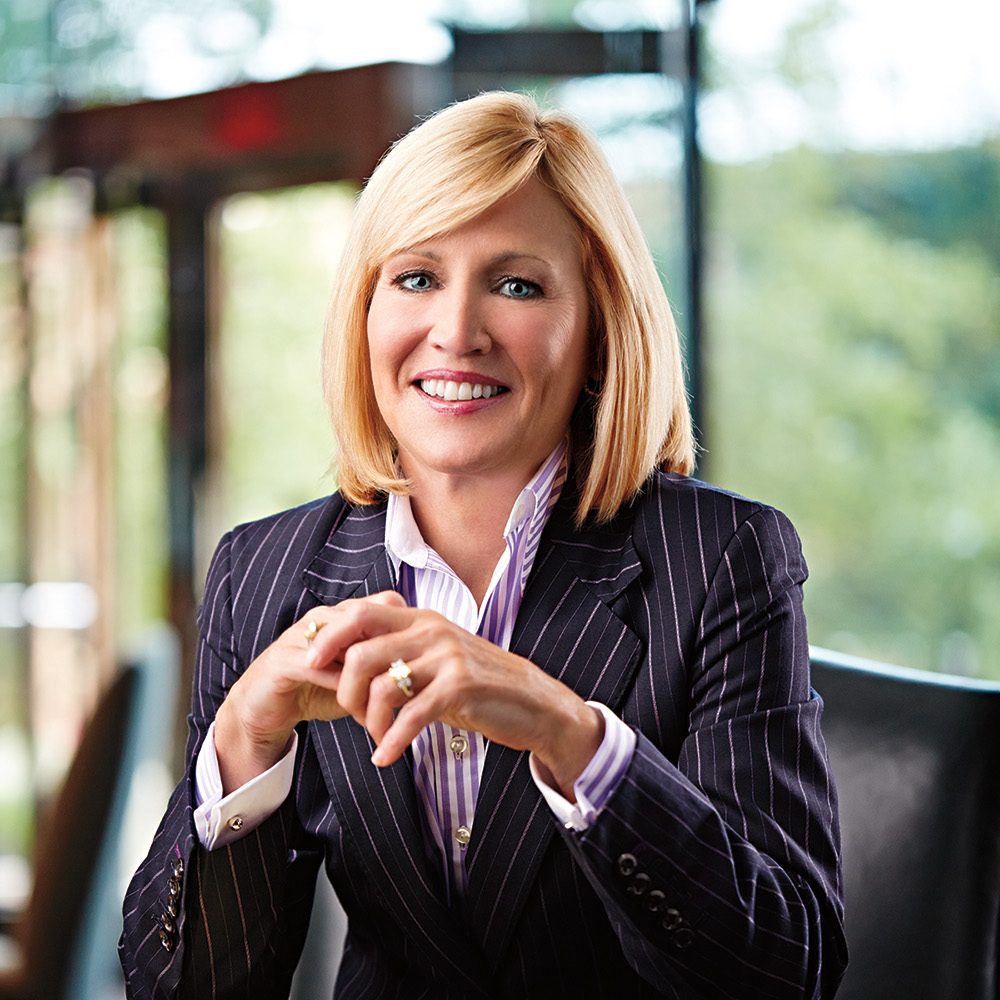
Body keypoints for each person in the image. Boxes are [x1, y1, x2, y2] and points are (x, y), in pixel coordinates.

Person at [119, 91, 847, 999]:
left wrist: (569, 734)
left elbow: (788, 968)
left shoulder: (724, 557)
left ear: (596, 326)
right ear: (366, 314)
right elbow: (179, 990)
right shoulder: (261, 573)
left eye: (517, 285)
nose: (456, 332)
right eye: (417, 278)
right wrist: (244, 745)